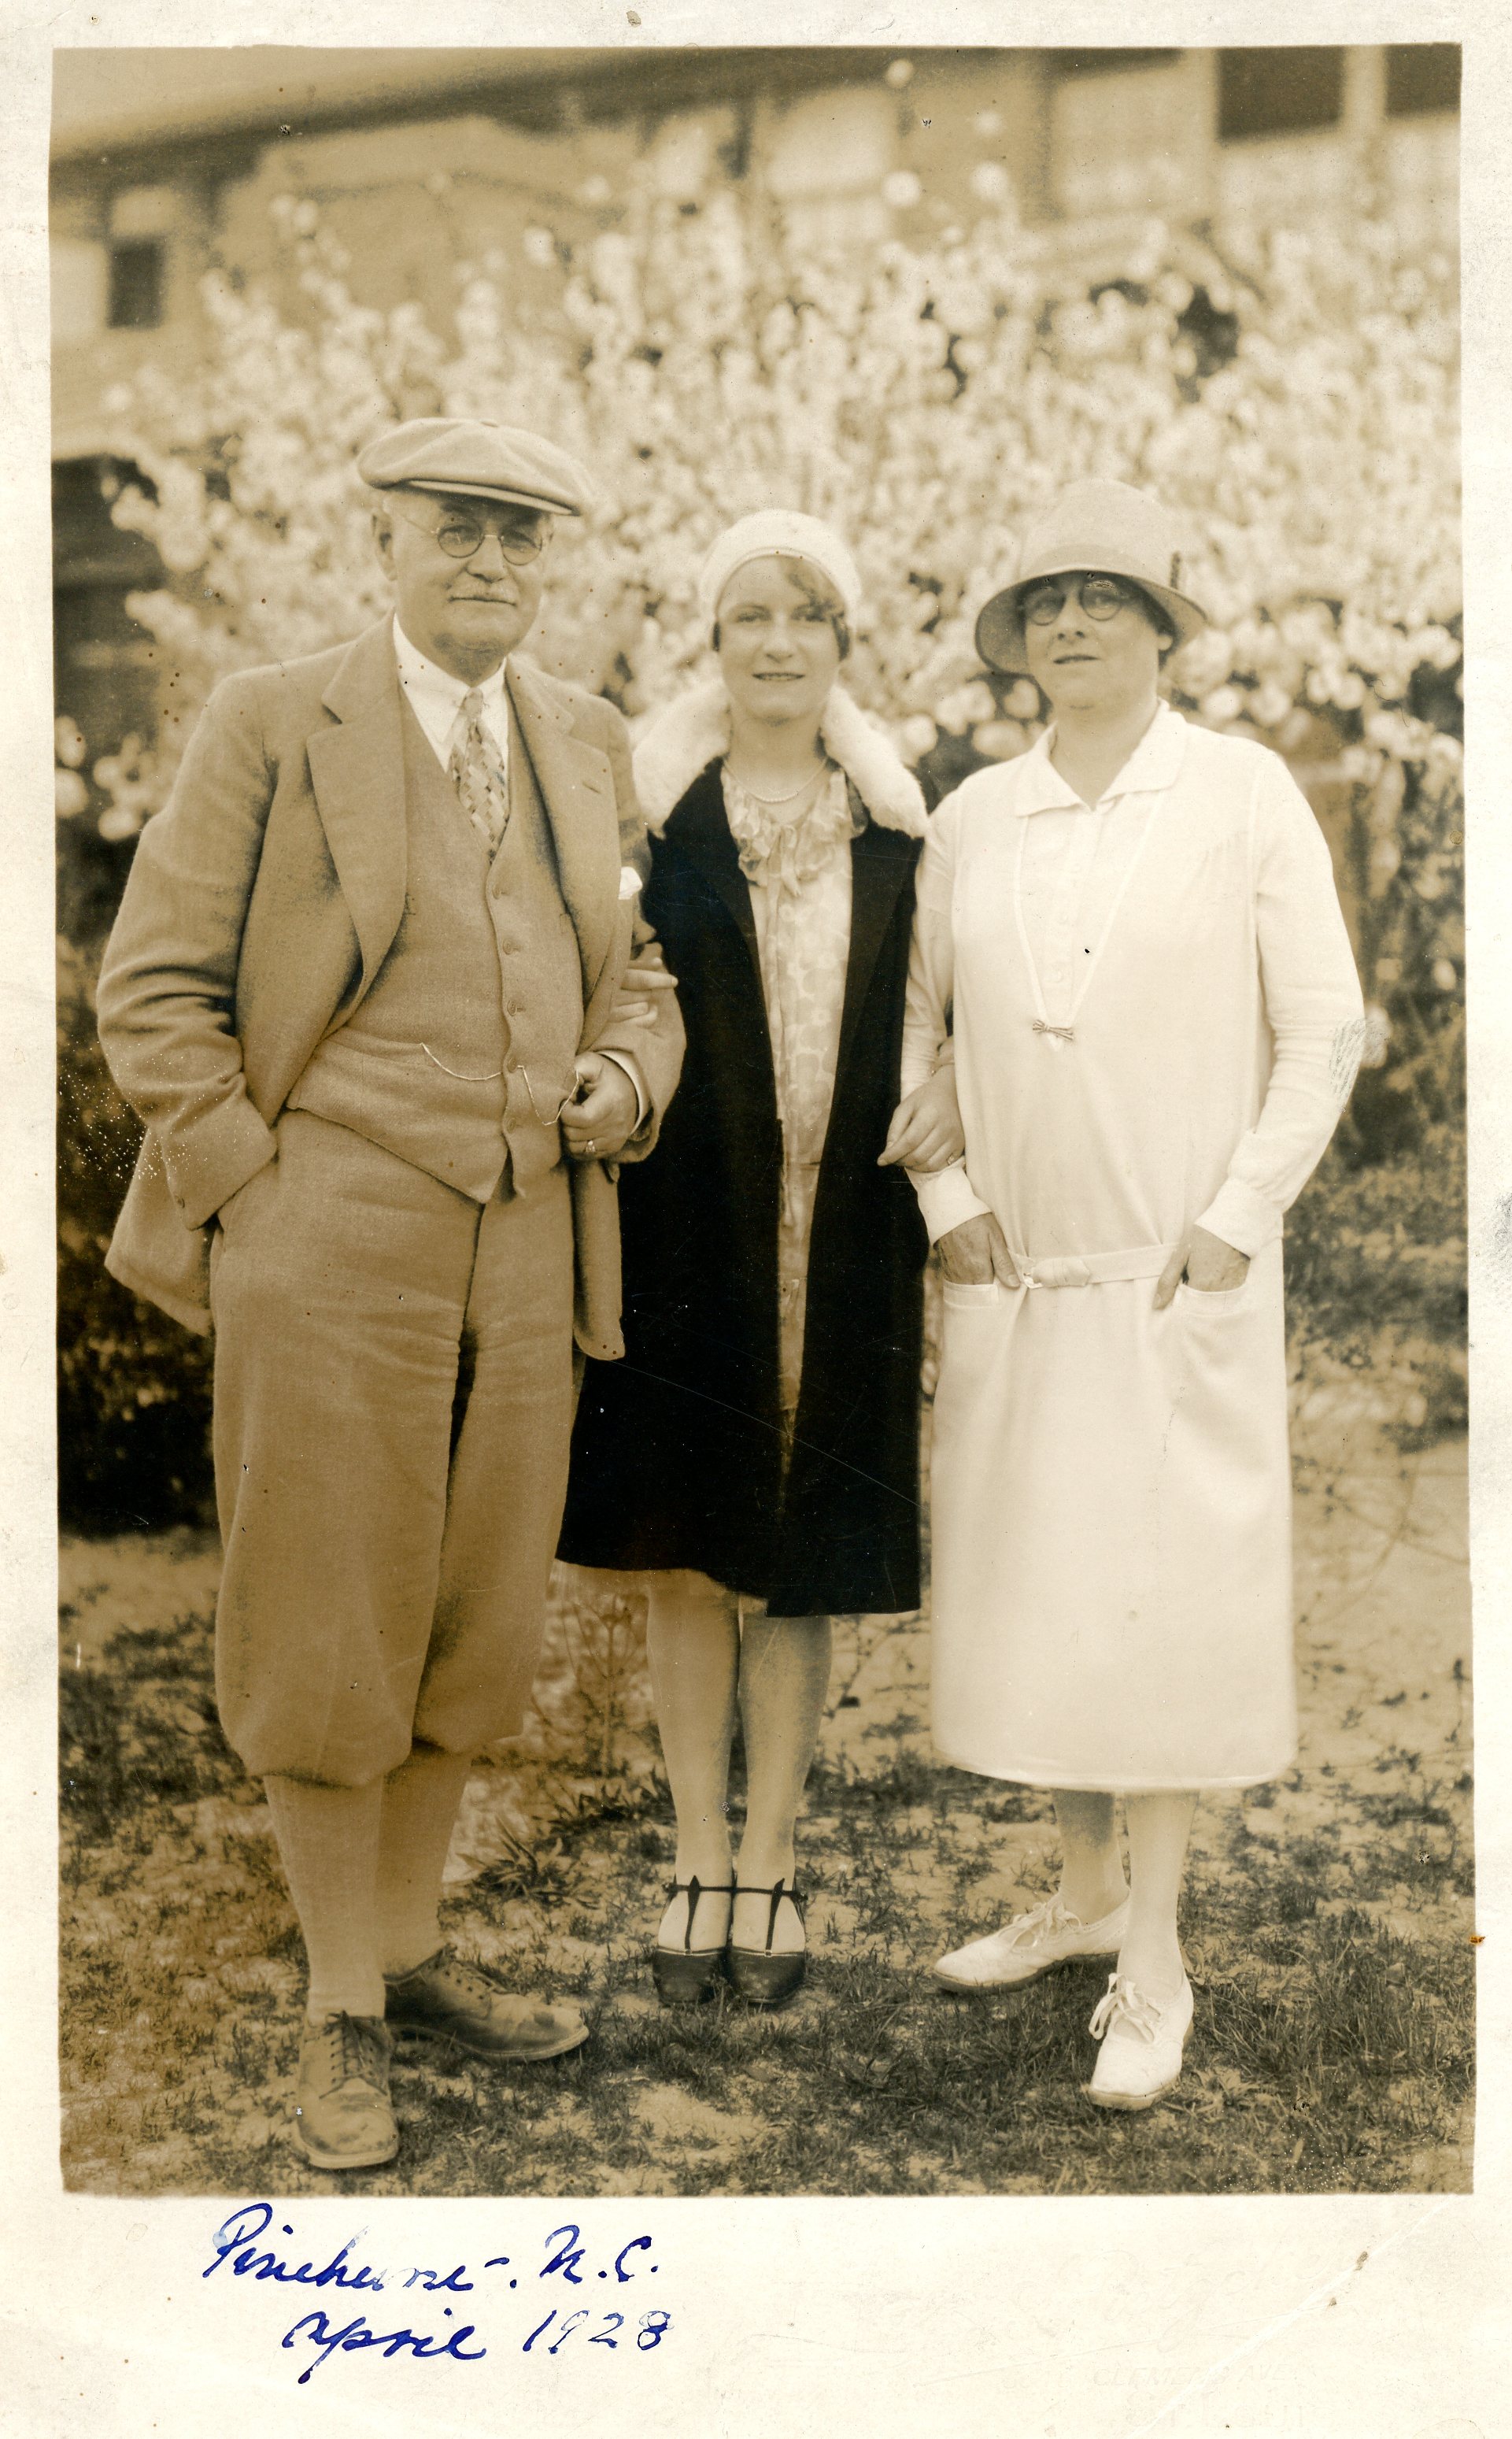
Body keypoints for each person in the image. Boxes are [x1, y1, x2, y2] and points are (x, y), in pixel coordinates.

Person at [95, 416, 685, 2171]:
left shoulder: (582, 739)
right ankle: (338, 2003)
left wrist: (624, 1079)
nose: (491, 562)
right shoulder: (275, 718)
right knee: (322, 1612)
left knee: (473, 1608)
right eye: (457, 531)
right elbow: (153, 989)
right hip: (326, 1234)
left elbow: (636, 970)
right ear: (391, 545)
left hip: (525, 1238)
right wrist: (253, 1193)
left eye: (522, 536)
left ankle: (414, 1952)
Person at [902, 479, 1363, 2108]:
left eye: (1107, 594)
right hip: (1023, 1276)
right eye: (1045, 601)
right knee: (1043, 1593)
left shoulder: (1239, 796)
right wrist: (949, 1203)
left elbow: (1323, 1030)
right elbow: (920, 1034)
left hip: (1179, 1278)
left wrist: (1238, 1217)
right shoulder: (968, 817)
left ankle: (1155, 1960)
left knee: (1162, 1607)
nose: (1075, 621)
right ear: (1015, 642)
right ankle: (1083, 1900)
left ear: (1164, 625)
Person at [559, 510, 961, 2007]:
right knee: (685, 1552)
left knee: (797, 1569)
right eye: (747, 618)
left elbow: (951, 1008)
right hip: (692, 1229)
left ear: (842, 645)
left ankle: (772, 1860)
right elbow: (605, 989)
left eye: (804, 616)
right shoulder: (655, 823)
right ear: (711, 646)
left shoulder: (901, 832)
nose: (776, 642)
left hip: (843, 1233)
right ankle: (689, 1858)